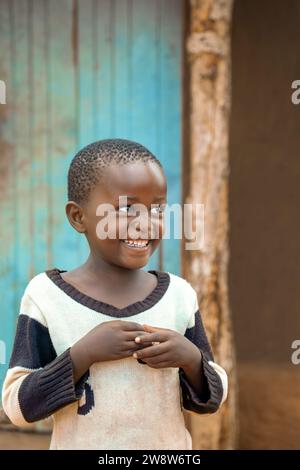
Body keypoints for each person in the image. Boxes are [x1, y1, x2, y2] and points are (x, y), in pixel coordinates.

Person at [2, 139, 228, 450]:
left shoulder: (179, 296)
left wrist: (191, 360)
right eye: (126, 209)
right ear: (78, 217)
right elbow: (17, 407)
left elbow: (210, 400)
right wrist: (83, 355)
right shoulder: (47, 297)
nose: (145, 224)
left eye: (158, 209)